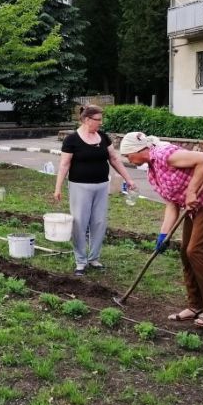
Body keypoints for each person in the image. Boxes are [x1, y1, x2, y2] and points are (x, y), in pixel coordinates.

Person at [119, 132, 203, 328]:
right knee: (185, 252)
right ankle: (195, 305)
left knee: (196, 251)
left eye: (128, 155)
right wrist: (163, 235)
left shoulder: (164, 154)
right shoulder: (153, 171)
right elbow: (172, 204)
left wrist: (191, 191)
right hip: (195, 205)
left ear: (137, 151)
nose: (128, 159)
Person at [53, 105, 138, 276]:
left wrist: (129, 179)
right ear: (86, 120)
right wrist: (58, 188)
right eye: (97, 120)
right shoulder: (71, 140)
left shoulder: (103, 137)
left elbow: (114, 159)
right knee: (80, 223)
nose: (101, 123)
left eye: (101, 119)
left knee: (99, 223)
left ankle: (94, 258)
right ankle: (80, 261)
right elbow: (64, 165)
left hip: (101, 186)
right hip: (79, 187)